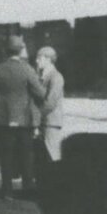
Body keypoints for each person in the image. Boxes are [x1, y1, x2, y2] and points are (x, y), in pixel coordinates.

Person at [0, 36, 44, 194]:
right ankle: (27, 187)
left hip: (3, 120)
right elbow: (41, 93)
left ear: (5, 50)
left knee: (6, 155)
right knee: (26, 155)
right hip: (25, 120)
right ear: (21, 50)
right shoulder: (27, 69)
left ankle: (7, 190)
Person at [34, 44, 67, 180]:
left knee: (52, 156)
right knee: (44, 157)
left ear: (48, 59)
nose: (37, 61)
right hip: (45, 121)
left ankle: (57, 187)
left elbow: (50, 103)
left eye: (39, 58)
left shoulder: (56, 77)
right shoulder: (43, 76)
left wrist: (36, 117)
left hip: (51, 122)